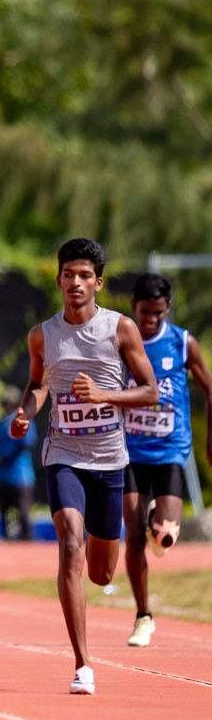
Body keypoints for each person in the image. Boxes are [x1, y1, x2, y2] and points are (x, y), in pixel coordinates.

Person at [10, 238, 157, 694]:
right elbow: (37, 385)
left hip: (110, 461)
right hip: (64, 457)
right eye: (68, 274)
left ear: (98, 283)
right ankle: (83, 664)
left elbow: (149, 391)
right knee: (70, 545)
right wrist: (24, 413)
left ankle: (134, 530)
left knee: (101, 573)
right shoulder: (43, 335)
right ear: (58, 280)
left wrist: (105, 395)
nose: (75, 282)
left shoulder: (121, 329)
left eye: (84, 275)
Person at [120, 273, 212, 647]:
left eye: (158, 313)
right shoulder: (120, 339)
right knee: (134, 532)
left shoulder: (182, 342)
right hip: (130, 452)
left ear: (167, 309)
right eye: (144, 312)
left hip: (171, 449)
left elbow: (209, 386)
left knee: (165, 536)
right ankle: (143, 616)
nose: (150, 320)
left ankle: (158, 522)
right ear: (133, 308)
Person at [0, 385, 36, 541]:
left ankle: (27, 539)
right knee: (3, 511)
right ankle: (6, 540)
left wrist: (4, 455)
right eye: (6, 403)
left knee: (23, 511)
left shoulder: (23, 419)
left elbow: (27, 443)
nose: (8, 406)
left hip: (20, 475)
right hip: (2, 476)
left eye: (11, 403)